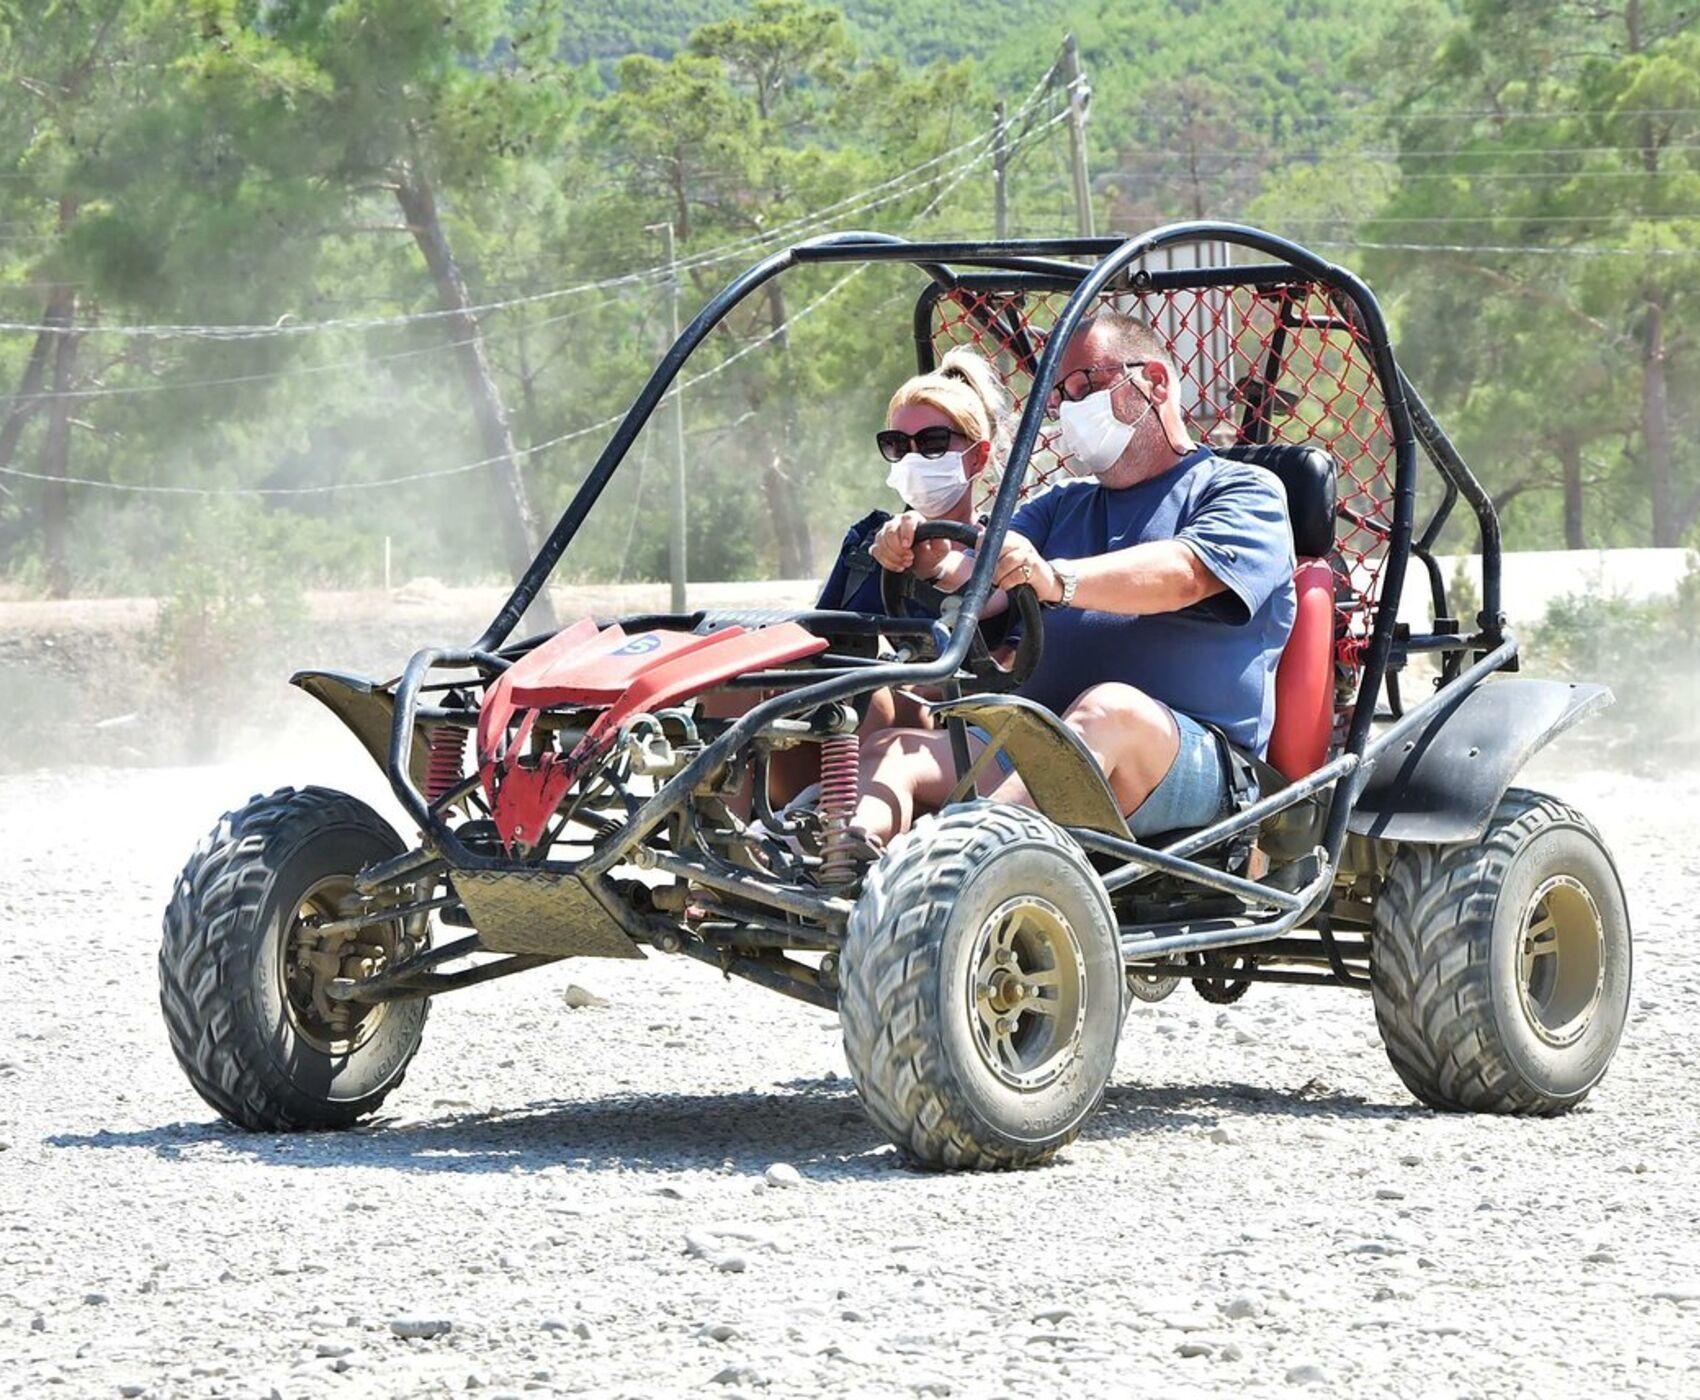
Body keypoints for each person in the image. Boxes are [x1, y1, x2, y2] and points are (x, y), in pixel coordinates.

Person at [853, 311, 1297, 845]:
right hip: (1045, 740)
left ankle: (966, 856)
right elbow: (983, 579)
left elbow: (1184, 574)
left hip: (1189, 756)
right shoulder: (1061, 504)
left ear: (1155, 382)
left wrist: (1055, 580)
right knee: (892, 752)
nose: (1070, 408)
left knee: (1109, 710)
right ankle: (844, 864)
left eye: (1086, 386)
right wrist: (931, 561)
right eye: (1062, 396)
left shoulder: (1242, 490)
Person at [815, 347, 1010, 615]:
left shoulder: (1001, 551)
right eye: (898, 444)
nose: (913, 458)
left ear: (977, 456)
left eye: (933, 442)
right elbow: (815, 634)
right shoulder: (865, 544)